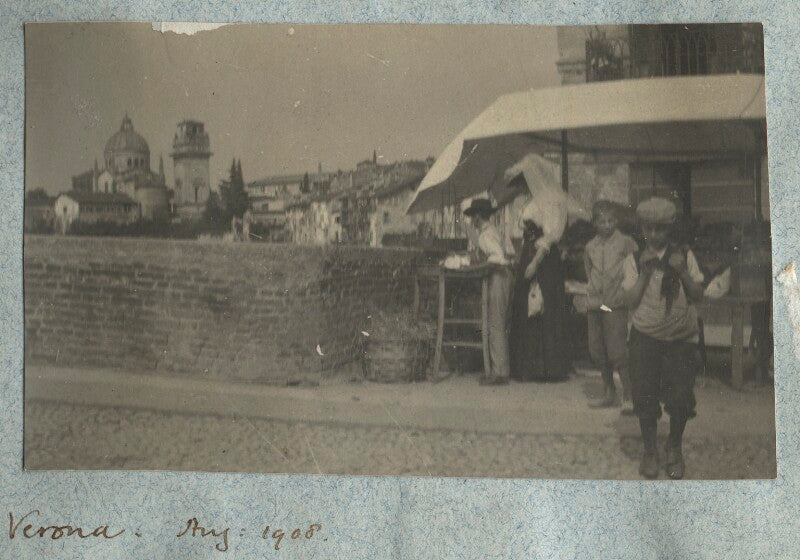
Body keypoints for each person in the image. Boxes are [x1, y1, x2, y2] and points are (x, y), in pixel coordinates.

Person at [622, 197, 705, 479]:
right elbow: (630, 301)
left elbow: (698, 295)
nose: (655, 234)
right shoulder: (634, 259)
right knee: (644, 395)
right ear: (642, 229)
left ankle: (674, 447)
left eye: (661, 229)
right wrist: (645, 274)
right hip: (645, 338)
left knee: (681, 397)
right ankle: (649, 451)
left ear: (670, 229)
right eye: (649, 228)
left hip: (681, 339)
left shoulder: (684, 256)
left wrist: (682, 271)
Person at [508, 193, 571, 382]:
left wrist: (535, 263)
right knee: (526, 307)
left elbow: (549, 237)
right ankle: (527, 368)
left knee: (544, 307)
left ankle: (549, 369)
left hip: (544, 260)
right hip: (529, 253)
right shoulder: (527, 200)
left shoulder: (550, 201)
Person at [584, 200, 638, 412]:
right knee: (597, 350)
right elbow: (589, 272)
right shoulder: (590, 247)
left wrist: (623, 292)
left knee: (617, 351)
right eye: (602, 221)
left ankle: (629, 396)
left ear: (616, 221)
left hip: (614, 304)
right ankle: (609, 392)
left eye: (611, 221)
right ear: (595, 223)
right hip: (596, 304)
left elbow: (633, 269)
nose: (607, 225)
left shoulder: (626, 243)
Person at [463, 199, 513, 386]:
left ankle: (500, 373)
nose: (471, 221)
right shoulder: (492, 230)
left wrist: (477, 267)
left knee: (495, 324)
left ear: (478, 217)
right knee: (498, 323)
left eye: (472, 217)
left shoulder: (486, 235)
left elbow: (498, 258)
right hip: (503, 276)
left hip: (499, 276)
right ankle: (500, 369)